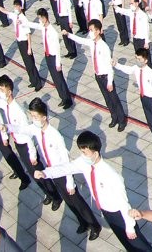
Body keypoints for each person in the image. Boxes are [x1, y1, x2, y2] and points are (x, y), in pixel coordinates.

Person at [36, 130, 152, 251]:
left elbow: (123, 203)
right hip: (106, 212)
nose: (83, 155)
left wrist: (130, 226)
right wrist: (45, 173)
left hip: (119, 213)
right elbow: (66, 168)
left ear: (96, 153)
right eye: (81, 152)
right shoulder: (84, 163)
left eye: (85, 152)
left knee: (137, 242)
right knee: (126, 242)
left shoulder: (111, 175)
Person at [20, 98, 103, 239]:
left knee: (76, 200)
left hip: (64, 173)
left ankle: (94, 225)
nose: (33, 119)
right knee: (69, 201)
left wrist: (70, 182)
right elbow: (21, 129)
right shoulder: (37, 130)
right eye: (32, 116)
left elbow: (66, 161)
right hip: (53, 172)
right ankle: (82, 222)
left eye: (35, 117)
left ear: (44, 117)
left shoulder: (55, 136)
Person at [68, 19, 128, 131]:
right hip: (98, 76)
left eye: (92, 30)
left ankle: (121, 120)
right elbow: (80, 40)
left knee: (114, 98)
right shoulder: (92, 43)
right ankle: (114, 117)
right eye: (89, 30)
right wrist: (69, 35)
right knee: (107, 99)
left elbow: (110, 67)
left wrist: (110, 82)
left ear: (99, 31)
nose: (90, 32)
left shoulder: (104, 47)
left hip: (106, 77)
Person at [114, 48, 152, 149]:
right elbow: (128, 70)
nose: (137, 61)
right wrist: (116, 65)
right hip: (143, 98)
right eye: (136, 58)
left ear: (145, 60)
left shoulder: (150, 73)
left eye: (139, 59)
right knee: (150, 120)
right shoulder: (136, 68)